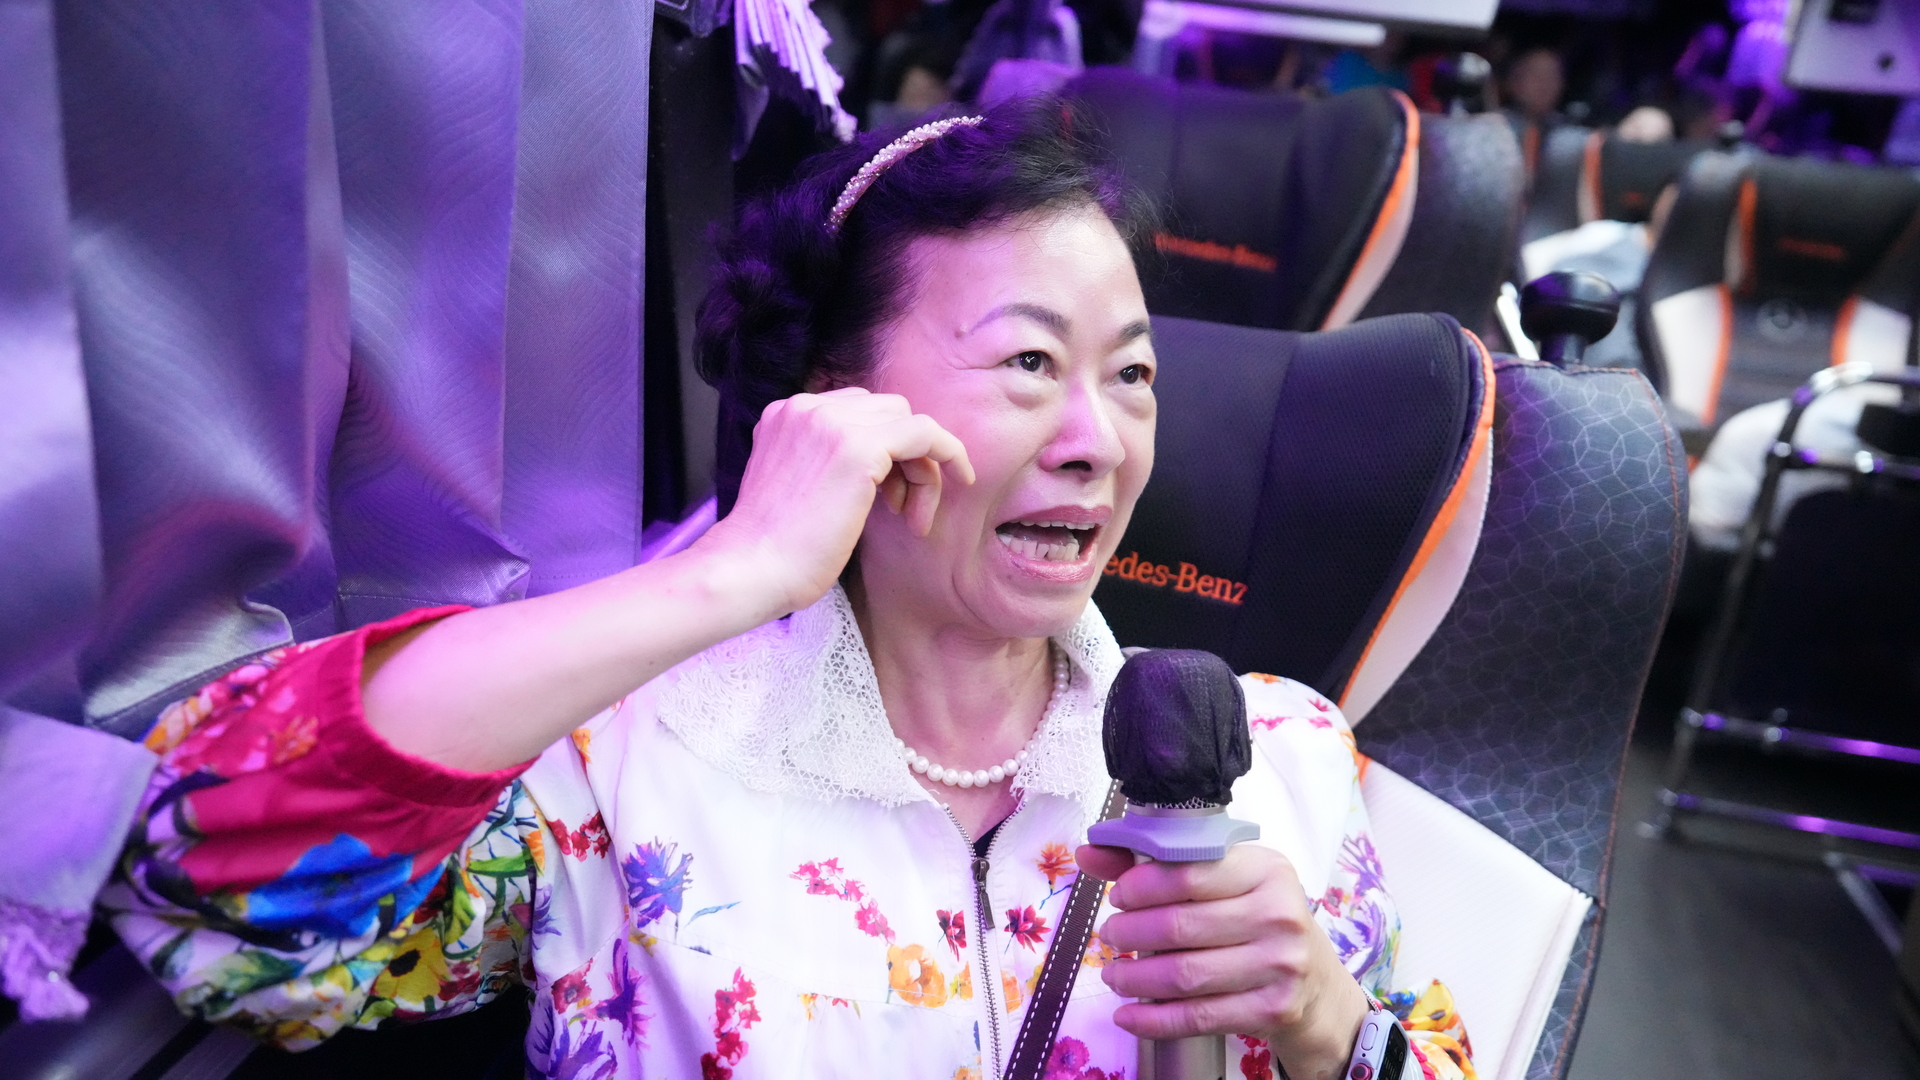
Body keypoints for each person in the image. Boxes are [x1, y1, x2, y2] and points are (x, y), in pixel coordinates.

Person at [102, 101, 1476, 1079]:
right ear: (834, 404)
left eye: (1131, 374)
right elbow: (201, 877)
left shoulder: (1278, 760)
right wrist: (734, 570)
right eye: (1028, 363)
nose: (1096, 439)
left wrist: (1326, 1030)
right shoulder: (617, 773)